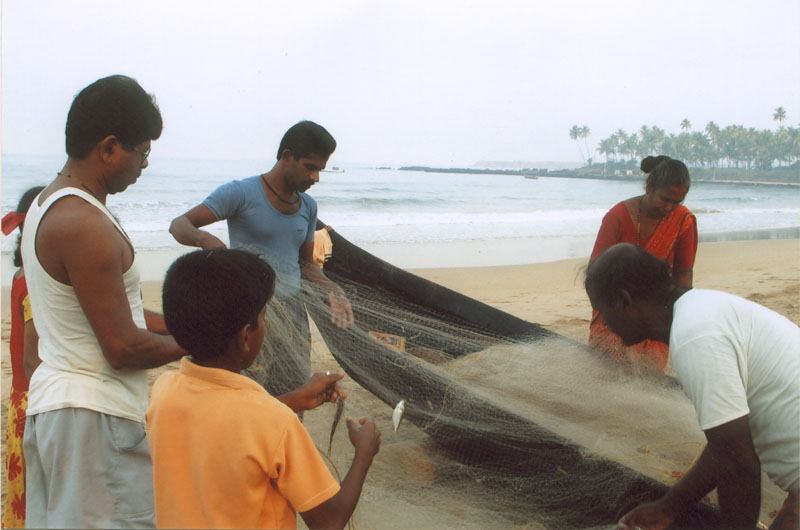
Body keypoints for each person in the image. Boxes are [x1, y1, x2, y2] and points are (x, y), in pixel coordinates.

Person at [20, 75, 185, 528]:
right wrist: (203, 341)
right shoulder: (85, 224)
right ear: (109, 147)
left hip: (63, 410)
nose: (144, 165)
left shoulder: (49, 203)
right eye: (143, 152)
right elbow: (122, 347)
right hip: (92, 417)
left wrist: (178, 324)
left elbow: (110, 311)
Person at [148, 248, 381, 529]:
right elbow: (329, 521)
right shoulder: (276, 422)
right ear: (246, 336)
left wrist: (294, 399)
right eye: (263, 317)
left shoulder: (164, 390)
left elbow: (226, 422)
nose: (265, 326)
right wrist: (364, 453)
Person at [585, 243, 799, 530]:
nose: (604, 322)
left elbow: (738, 465)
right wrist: (667, 507)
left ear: (624, 301)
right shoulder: (703, 310)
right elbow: (727, 442)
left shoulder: (695, 338)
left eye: (601, 311)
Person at [169, 120, 354, 397]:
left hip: (293, 314)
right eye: (310, 167)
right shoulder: (240, 193)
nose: (316, 177)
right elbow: (179, 224)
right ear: (287, 156)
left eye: (320, 170)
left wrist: (332, 288)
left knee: (295, 387)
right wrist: (205, 240)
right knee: (249, 392)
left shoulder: (308, 206)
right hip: (250, 312)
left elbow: (305, 265)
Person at [588, 157, 697, 371]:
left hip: (655, 317)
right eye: (665, 199)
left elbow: (684, 273)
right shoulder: (617, 216)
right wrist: (609, 313)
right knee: (605, 375)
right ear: (649, 187)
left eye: (677, 202)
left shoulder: (684, 220)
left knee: (649, 380)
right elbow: (593, 274)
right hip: (615, 311)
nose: (669, 208)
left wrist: (679, 319)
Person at [1, 186, 44, 528]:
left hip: (19, 398)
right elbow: (33, 360)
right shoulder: (34, 282)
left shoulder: (20, 275)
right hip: (34, 401)